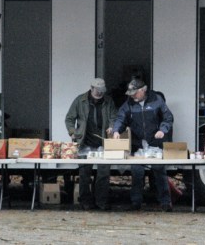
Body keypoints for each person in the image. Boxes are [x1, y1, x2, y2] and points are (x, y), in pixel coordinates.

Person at [113, 78, 174, 212]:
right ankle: (136, 203)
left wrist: (162, 130)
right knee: (137, 172)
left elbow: (168, 118)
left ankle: (165, 202)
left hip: (155, 144)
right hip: (137, 145)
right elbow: (120, 118)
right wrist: (116, 130)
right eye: (130, 93)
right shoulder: (128, 104)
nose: (132, 95)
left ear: (143, 90)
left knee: (159, 172)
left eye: (135, 93)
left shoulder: (157, 100)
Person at [65, 78, 117, 211]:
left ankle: (101, 201)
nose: (100, 93)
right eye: (98, 91)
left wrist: (112, 126)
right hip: (84, 142)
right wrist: (72, 132)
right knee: (84, 173)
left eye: (102, 91)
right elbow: (69, 119)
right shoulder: (80, 100)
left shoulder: (108, 101)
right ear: (91, 88)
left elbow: (114, 117)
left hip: (103, 143)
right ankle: (85, 201)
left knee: (104, 173)